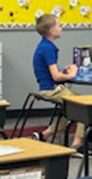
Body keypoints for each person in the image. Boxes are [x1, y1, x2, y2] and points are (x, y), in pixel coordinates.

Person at [32, 14, 84, 148]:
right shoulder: (48, 48)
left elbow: (52, 71)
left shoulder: (44, 46)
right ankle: (77, 142)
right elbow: (56, 77)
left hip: (46, 86)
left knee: (69, 107)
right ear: (52, 30)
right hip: (51, 89)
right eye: (59, 25)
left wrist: (63, 71)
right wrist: (72, 74)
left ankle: (47, 133)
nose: (61, 28)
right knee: (83, 104)